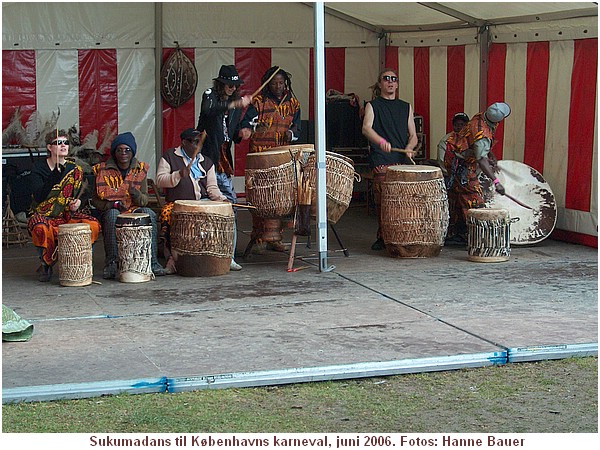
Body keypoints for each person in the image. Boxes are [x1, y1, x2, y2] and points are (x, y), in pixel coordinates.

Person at [155, 128, 242, 272]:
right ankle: (173, 260)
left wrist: (223, 200)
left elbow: (212, 188)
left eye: (199, 142)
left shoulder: (206, 162)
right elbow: (160, 180)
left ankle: (228, 258)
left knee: (228, 214)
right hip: (177, 203)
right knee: (168, 214)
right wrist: (177, 175)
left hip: (203, 201)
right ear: (184, 142)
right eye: (194, 142)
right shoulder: (170, 157)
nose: (197, 145)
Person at [238, 66, 301, 252]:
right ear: (267, 83)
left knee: (280, 197)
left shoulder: (293, 103)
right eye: (274, 83)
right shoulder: (258, 102)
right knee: (260, 197)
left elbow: (298, 127)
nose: (278, 86)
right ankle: (258, 235)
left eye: (281, 82)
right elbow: (246, 124)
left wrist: (291, 134)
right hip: (261, 156)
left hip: (282, 156)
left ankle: (275, 237)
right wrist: (247, 130)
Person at [28, 130, 101, 282]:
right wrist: (54, 175)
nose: (63, 146)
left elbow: (85, 192)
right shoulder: (38, 168)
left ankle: (79, 262)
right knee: (40, 228)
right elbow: (39, 197)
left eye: (65, 143)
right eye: (58, 143)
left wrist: (78, 203)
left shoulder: (75, 169)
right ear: (49, 147)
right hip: (45, 214)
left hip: (67, 214)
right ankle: (46, 264)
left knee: (92, 225)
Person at [91, 132, 166, 279]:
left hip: (134, 208)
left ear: (132, 152)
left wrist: (135, 194)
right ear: (114, 152)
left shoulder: (139, 169)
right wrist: (112, 205)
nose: (123, 153)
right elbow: (95, 201)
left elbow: (144, 200)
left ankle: (153, 262)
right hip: (112, 209)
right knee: (112, 215)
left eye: (127, 150)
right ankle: (112, 262)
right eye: (119, 150)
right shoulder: (103, 170)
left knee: (149, 214)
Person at [361, 68, 418, 250]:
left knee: (405, 200)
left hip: (401, 159)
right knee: (384, 200)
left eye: (394, 79)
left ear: (397, 84)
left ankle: (402, 234)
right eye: (386, 79)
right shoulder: (373, 105)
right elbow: (366, 128)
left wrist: (409, 147)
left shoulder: (405, 106)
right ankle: (383, 235)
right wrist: (381, 141)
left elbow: (414, 135)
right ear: (380, 83)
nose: (390, 81)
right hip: (382, 158)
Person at [444, 102, 510, 244]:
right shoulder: (482, 135)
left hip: (456, 156)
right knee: (474, 199)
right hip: (461, 163)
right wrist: (496, 182)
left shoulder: (481, 116)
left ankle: (456, 232)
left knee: (457, 196)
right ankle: (478, 238)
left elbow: (477, 146)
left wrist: (490, 154)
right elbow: (481, 159)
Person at [437, 112, 469, 177]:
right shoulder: (445, 141)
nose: (459, 127)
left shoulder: (472, 140)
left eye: (462, 124)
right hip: (450, 176)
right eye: (456, 124)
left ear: (467, 126)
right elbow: (441, 161)